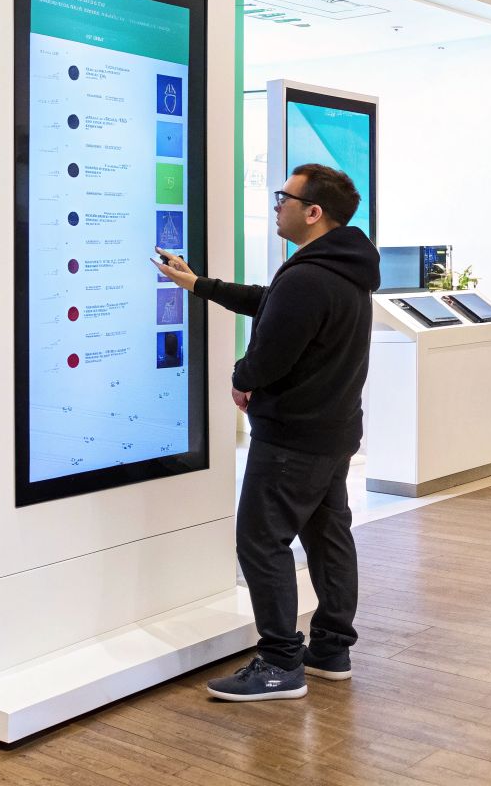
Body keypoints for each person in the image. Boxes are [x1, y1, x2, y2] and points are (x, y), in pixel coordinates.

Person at [152, 163, 380, 702]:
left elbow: (272, 353)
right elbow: (271, 304)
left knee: (260, 541)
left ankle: (280, 662)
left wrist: (241, 376)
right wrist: (198, 283)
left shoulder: (308, 275)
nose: (276, 204)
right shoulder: (341, 269)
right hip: (332, 431)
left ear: (313, 212)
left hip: (291, 437)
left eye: (285, 196)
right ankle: (330, 650)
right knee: (328, 539)